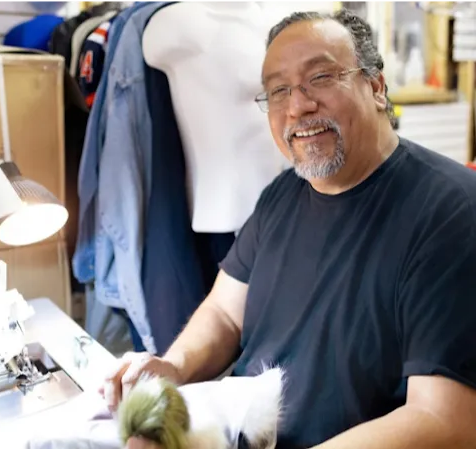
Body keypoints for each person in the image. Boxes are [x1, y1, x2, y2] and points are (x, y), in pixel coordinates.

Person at [102, 9, 476, 449]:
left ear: (375, 86)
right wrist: (175, 366)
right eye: (278, 90)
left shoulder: (452, 210)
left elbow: (445, 420)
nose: (297, 106)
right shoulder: (282, 194)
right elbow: (224, 313)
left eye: (319, 77)